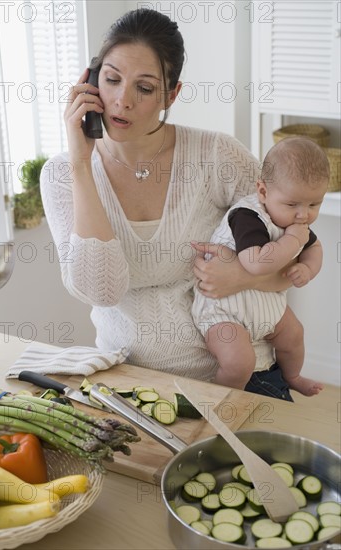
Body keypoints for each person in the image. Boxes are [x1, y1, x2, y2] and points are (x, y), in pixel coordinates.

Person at [40, 8, 296, 398]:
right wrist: (81, 164)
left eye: (143, 88)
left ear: (171, 94)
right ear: (90, 82)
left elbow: (294, 255)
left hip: (241, 376)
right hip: (126, 384)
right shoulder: (62, 174)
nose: (121, 100)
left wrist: (242, 275)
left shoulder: (216, 156)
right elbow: (101, 291)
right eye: (111, 80)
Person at [192, 136, 329, 395]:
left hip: (266, 305)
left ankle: (293, 375)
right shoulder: (247, 216)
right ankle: (223, 401)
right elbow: (255, 263)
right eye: (293, 204)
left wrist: (308, 269)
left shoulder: (294, 223)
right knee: (239, 362)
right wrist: (291, 240)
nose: (304, 215)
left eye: (314, 204)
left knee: (294, 335)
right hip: (224, 310)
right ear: (263, 191)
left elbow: (315, 247)